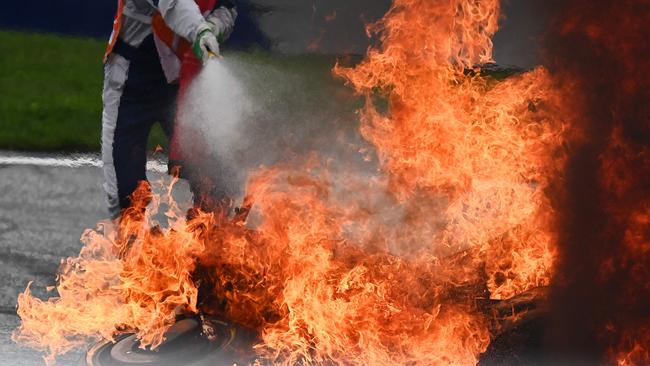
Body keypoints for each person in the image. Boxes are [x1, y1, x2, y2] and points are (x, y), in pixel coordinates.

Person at [101, 0, 237, 219]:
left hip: (187, 77)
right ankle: (129, 247)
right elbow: (172, 4)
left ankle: (209, 245)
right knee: (126, 189)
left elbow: (226, 7)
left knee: (214, 179)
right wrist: (201, 31)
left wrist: (214, 27)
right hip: (132, 80)